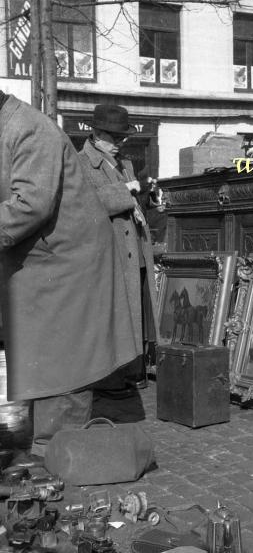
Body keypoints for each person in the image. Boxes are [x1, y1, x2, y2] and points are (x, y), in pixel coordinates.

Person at [0, 92, 137, 455]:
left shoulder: (30, 129)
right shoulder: (9, 126)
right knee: (41, 355)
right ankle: (45, 443)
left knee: (63, 360)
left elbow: (31, 205)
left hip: (69, 264)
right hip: (43, 260)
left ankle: (57, 455)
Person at [77, 104, 159, 393]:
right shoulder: (80, 164)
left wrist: (147, 196)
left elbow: (133, 201)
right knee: (112, 316)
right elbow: (87, 203)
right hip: (109, 253)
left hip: (134, 249)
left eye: (122, 137)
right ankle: (109, 379)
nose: (120, 143)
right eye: (113, 137)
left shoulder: (125, 164)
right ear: (96, 134)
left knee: (135, 311)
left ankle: (131, 371)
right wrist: (128, 190)